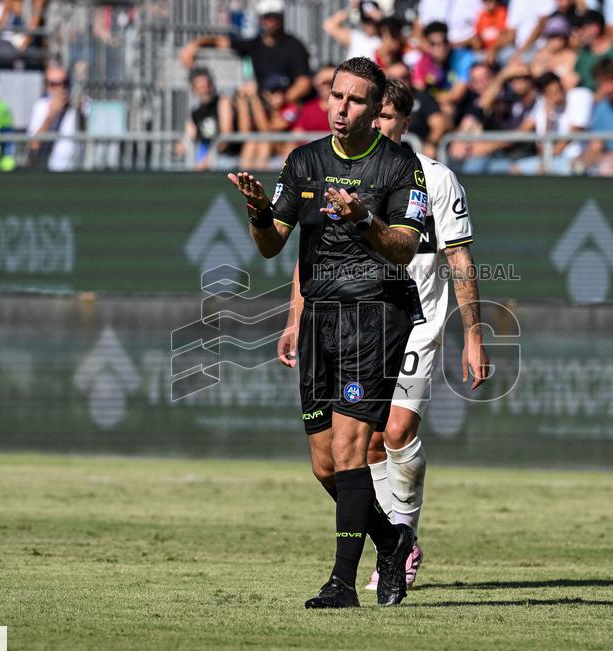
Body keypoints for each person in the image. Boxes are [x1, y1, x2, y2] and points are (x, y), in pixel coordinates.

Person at [226, 56, 427, 609]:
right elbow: (272, 244)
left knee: (349, 449)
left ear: (375, 106)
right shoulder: (305, 161)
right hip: (319, 317)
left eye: (356, 100)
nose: (341, 108)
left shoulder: (398, 167)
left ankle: (342, 583)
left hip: (374, 315)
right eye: (336, 96)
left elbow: (406, 248)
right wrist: (260, 213)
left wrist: (364, 219)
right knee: (323, 464)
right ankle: (392, 540)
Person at [278, 77, 488, 592]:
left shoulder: (432, 178)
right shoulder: (333, 168)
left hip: (411, 320)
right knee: (350, 454)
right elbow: (314, 254)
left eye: (388, 116)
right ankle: (392, 541)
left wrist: (475, 334)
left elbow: (459, 256)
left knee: (393, 431)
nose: (378, 123)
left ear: (402, 122)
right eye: (378, 115)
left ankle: (397, 544)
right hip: (342, 321)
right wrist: (293, 317)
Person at [180, 0, 312, 105]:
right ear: (261, 19)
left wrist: (281, 99)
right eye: (267, 17)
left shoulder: (295, 46)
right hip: (262, 106)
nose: (271, 21)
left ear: (282, 17)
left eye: (275, 17)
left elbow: (304, 83)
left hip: (290, 108)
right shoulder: (254, 44)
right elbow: (221, 42)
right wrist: (195, 44)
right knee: (240, 100)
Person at [27, 62, 79, 171]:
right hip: (50, 170)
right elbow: (34, 144)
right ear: (47, 86)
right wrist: (51, 114)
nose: (61, 88)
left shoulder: (78, 105)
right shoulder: (40, 106)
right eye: (54, 84)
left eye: (64, 83)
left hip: (77, 170)